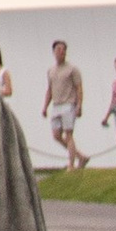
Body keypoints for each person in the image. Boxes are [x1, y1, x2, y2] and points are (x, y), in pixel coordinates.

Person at [43, 39, 89, 170]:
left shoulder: (72, 69)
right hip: (56, 105)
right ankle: (80, 156)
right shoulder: (51, 70)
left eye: (63, 49)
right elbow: (49, 90)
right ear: (54, 52)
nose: (61, 52)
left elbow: (79, 88)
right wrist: (45, 106)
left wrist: (79, 105)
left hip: (69, 104)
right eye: (58, 49)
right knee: (56, 135)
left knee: (69, 134)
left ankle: (71, 164)